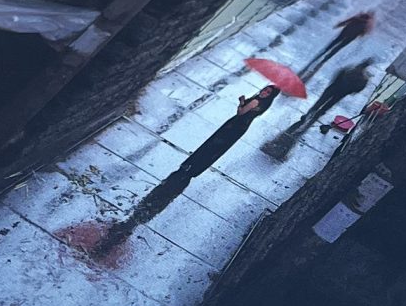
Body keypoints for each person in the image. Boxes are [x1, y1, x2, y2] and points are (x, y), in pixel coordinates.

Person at [93, 85, 279, 253]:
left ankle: (191, 166)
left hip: (232, 127)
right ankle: (195, 166)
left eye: (268, 92)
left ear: (270, 96)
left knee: (211, 146)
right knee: (214, 149)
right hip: (236, 129)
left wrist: (241, 102)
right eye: (265, 89)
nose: (264, 92)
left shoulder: (255, 101)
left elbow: (240, 113)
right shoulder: (261, 105)